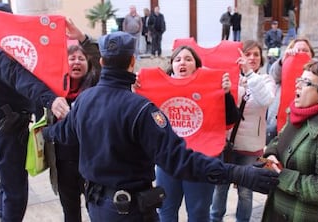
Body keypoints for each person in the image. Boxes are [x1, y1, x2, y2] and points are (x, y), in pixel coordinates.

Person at [42, 31, 279, 222]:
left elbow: (64, 134)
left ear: (102, 62)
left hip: (97, 207)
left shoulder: (84, 100)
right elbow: (179, 161)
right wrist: (237, 173)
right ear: (132, 61)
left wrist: (43, 131)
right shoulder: (142, 109)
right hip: (130, 211)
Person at [0, 3, 70, 221]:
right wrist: (51, 99)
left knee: (6, 187)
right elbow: (20, 77)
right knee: (15, 192)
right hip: (7, 131)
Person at [152, 45, 239, 222]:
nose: (182, 62)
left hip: (201, 160)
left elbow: (230, 120)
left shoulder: (212, 86)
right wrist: (137, 87)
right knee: (165, 211)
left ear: (197, 65)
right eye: (178, 59)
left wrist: (226, 94)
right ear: (172, 65)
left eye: (188, 59)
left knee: (199, 213)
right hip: (169, 160)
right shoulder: (157, 89)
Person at [261, 60, 318, 222]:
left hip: (302, 215)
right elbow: (278, 140)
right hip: (277, 207)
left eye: (306, 83)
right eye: (299, 80)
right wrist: (272, 155)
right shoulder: (297, 113)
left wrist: (282, 176)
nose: (298, 86)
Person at [210, 40, 276, 222]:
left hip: (250, 146)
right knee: (220, 187)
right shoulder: (229, 79)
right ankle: (215, 219)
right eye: (247, 54)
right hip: (227, 145)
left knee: (246, 191)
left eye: (256, 54)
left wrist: (249, 73)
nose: (252, 58)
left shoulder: (265, 80)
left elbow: (265, 100)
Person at [51, 42, 100, 222]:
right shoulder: (53, 90)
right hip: (64, 161)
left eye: (81, 58)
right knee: (70, 210)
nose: (76, 62)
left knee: (95, 207)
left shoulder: (96, 87)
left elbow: (100, 57)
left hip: (91, 159)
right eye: (71, 58)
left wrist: (83, 38)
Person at [266, 38, 315, 144]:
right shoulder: (284, 63)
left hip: (305, 123)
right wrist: (284, 60)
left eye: (305, 50)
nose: (301, 53)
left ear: (311, 54)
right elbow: (273, 76)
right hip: (277, 120)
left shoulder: (317, 70)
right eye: (298, 50)